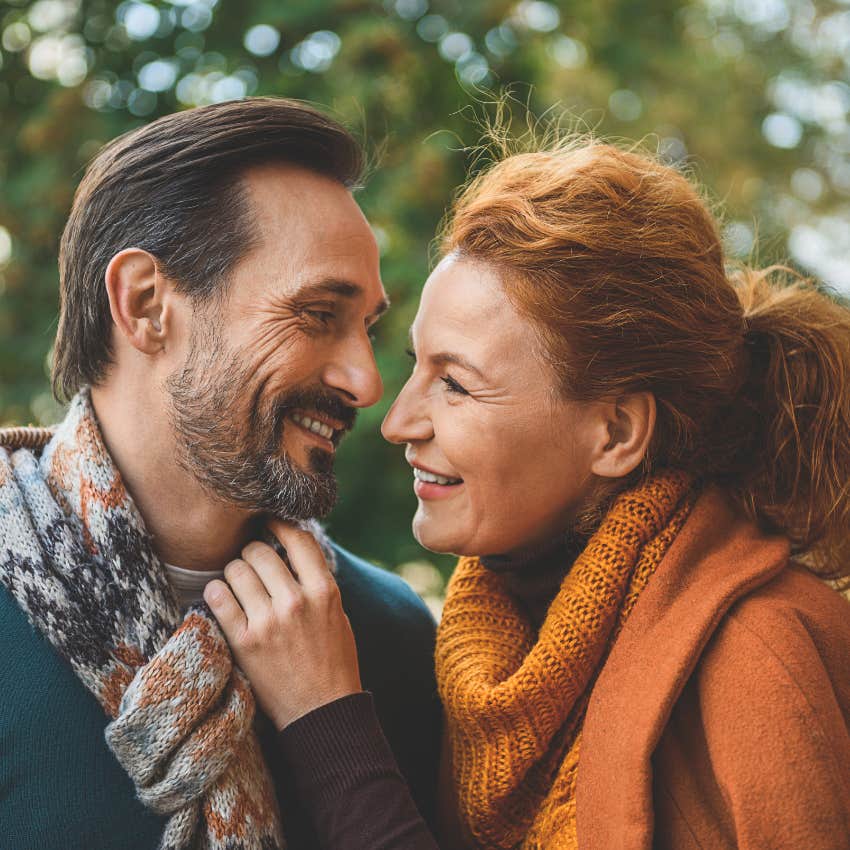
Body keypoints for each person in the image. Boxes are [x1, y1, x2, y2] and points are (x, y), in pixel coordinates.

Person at [208, 137, 850, 849]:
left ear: (614, 432)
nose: (396, 422)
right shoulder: (496, 649)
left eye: (456, 383)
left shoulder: (761, 655)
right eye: (419, 364)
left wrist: (327, 726)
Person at [0, 97, 441, 850]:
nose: (367, 383)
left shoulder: (391, 639)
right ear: (145, 306)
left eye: (367, 328)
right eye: (316, 314)